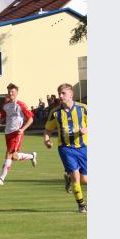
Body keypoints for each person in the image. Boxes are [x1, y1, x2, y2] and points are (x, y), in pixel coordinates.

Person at [44, 83, 88, 213]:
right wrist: (47, 141)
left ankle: (68, 178)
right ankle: (81, 205)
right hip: (65, 148)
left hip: (83, 147)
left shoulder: (83, 109)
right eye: (59, 94)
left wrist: (87, 129)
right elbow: (47, 130)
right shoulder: (55, 112)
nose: (60, 96)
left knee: (85, 180)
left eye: (63, 93)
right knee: (76, 177)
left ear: (71, 94)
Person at [0, 83, 36, 185]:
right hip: (8, 132)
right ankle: (32, 156)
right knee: (14, 157)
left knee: (9, 154)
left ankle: (1, 179)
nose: (10, 93)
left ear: (17, 93)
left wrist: (23, 129)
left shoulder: (21, 105)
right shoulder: (6, 105)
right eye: (9, 92)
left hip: (17, 132)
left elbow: (31, 119)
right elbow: (3, 117)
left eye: (13, 92)